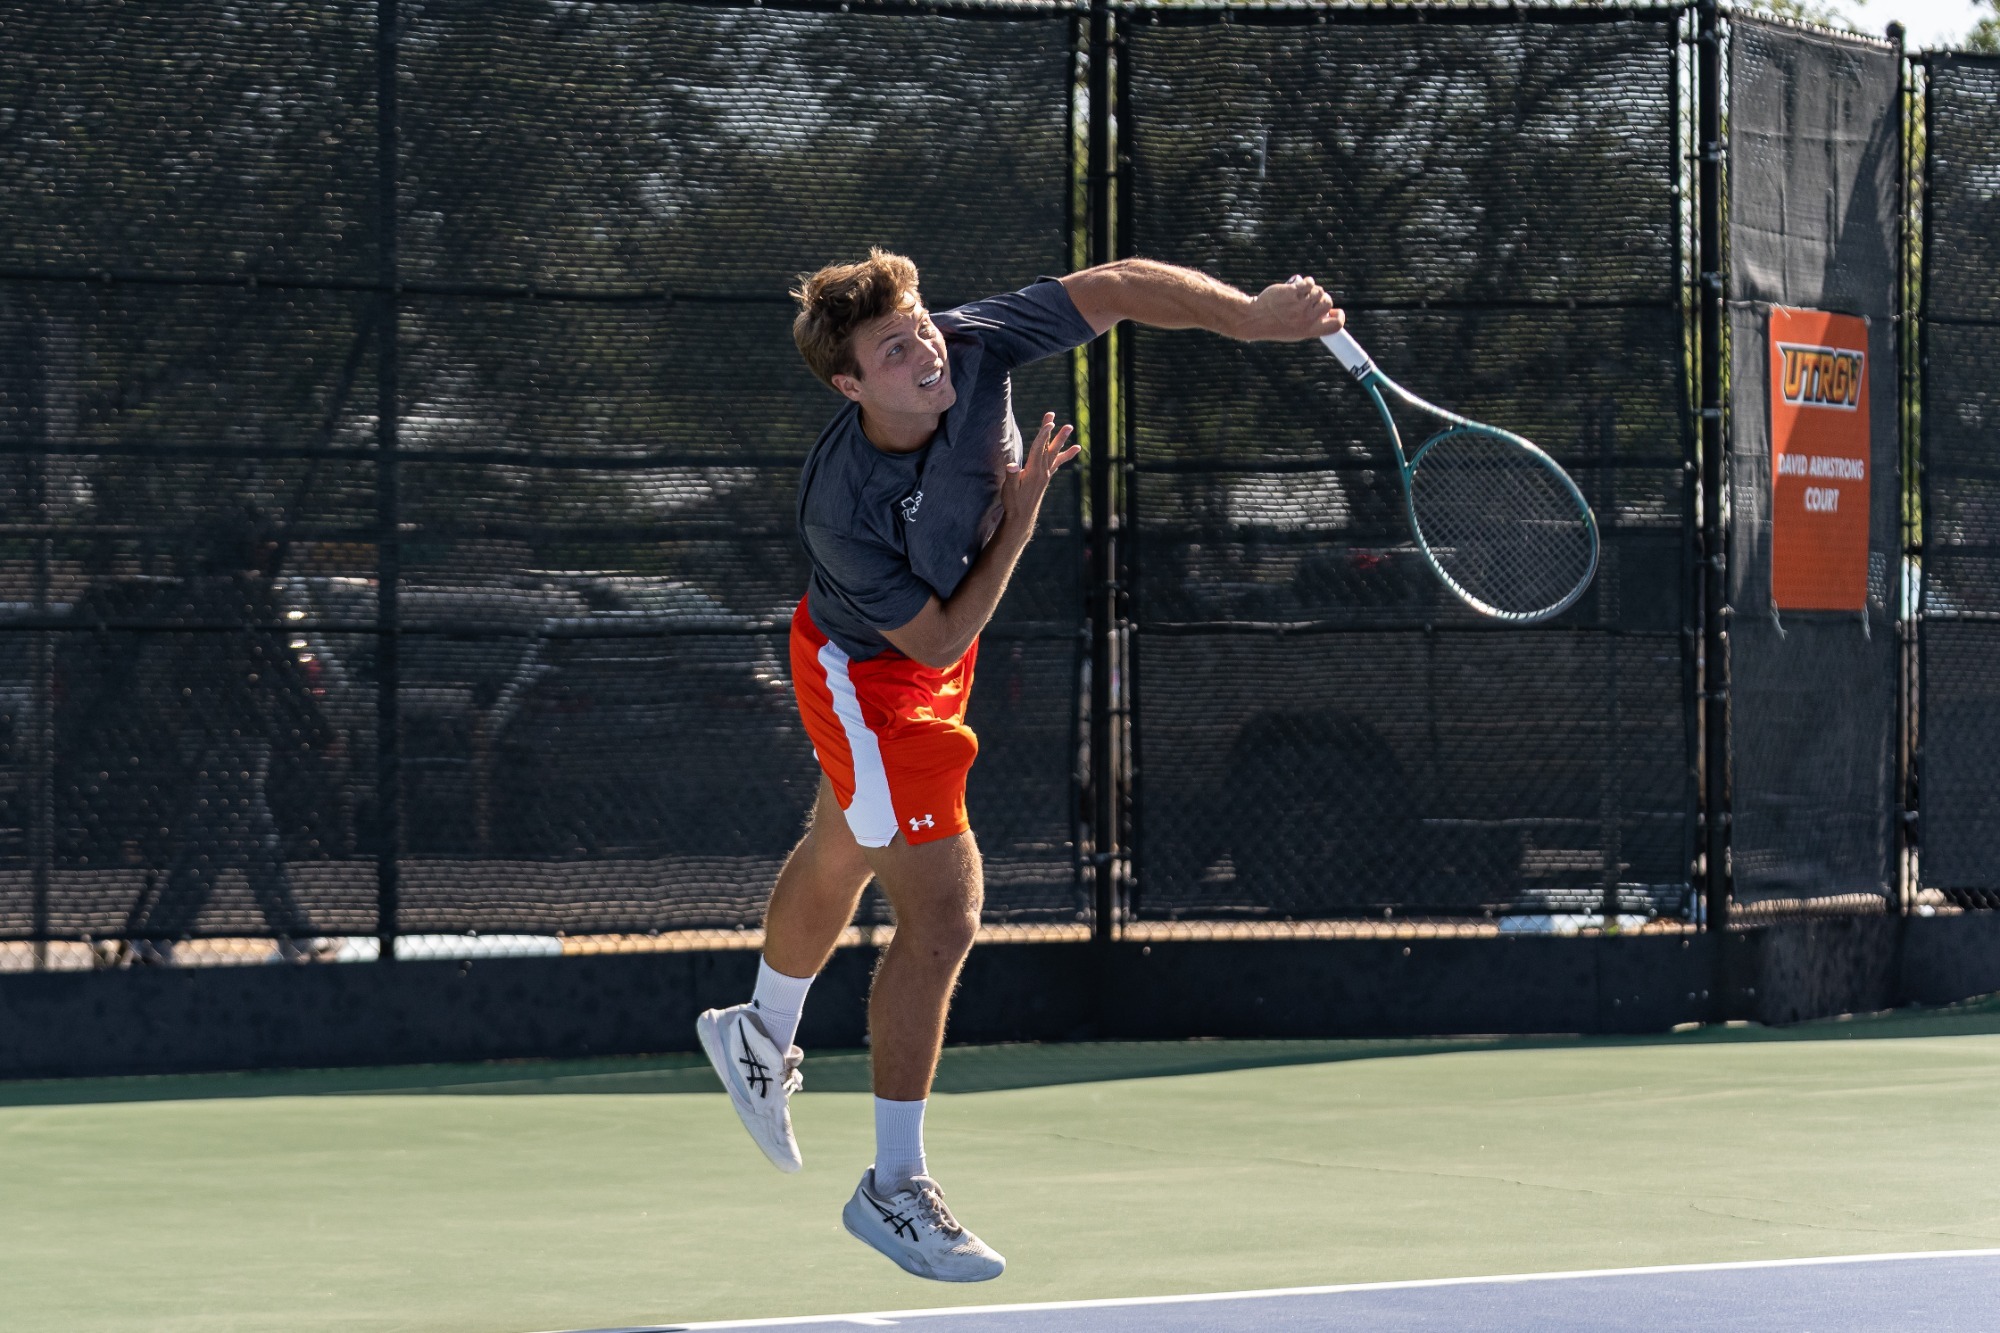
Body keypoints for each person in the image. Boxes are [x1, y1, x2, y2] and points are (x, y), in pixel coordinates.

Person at [698, 251, 1343, 1282]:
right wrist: (1022, 520)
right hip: (871, 675)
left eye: (920, 325)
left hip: (921, 660)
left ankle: (759, 1028)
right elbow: (938, 638)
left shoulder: (975, 342)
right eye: (893, 349)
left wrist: (1251, 319)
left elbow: (1118, 284)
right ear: (849, 385)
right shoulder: (840, 505)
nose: (925, 351)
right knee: (943, 915)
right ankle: (892, 1184)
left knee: (846, 846)